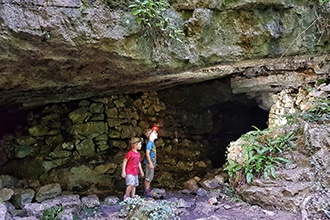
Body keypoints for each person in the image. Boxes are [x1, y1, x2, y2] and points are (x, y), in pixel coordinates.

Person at [144, 126, 159, 197]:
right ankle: (147, 190)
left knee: (150, 177)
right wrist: (150, 163)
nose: (156, 134)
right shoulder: (149, 144)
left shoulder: (152, 143)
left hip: (152, 163)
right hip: (150, 163)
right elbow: (147, 153)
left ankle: (148, 189)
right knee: (148, 177)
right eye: (154, 133)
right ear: (149, 135)